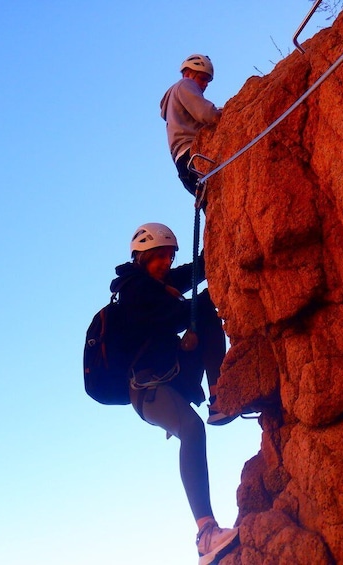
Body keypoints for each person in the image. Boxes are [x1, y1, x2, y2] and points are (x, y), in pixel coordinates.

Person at [110, 222, 239, 565]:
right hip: (148, 387)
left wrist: (217, 224)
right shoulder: (135, 290)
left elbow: (196, 270)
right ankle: (206, 534)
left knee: (206, 313)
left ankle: (219, 397)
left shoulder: (159, 282)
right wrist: (200, 302)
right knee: (192, 430)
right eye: (158, 257)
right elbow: (172, 315)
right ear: (142, 258)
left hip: (172, 373)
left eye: (169, 256)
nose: (166, 262)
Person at [160, 55, 222, 199]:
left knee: (213, 204)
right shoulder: (185, 84)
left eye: (207, 80)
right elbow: (207, 114)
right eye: (202, 78)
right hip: (194, 156)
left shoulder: (172, 104)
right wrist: (229, 113)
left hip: (183, 166)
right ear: (188, 74)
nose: (205, 84)